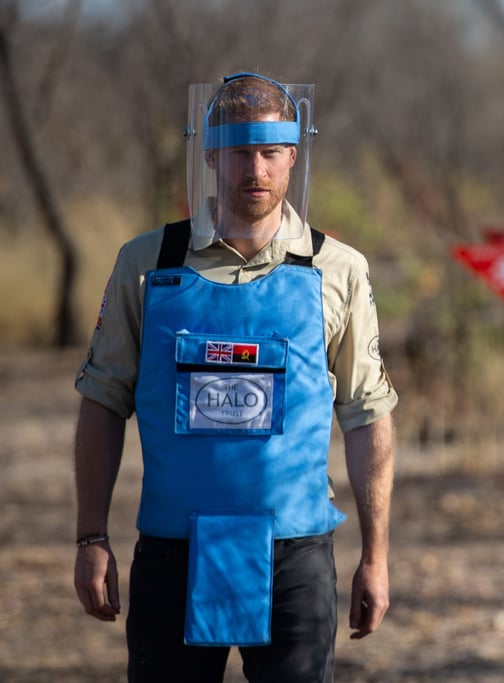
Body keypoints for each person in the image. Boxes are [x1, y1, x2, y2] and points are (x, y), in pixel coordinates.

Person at [72, 72, 398, 683]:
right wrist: (91, 536)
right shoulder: (148, 263)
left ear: (293, 157)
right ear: (211, 154)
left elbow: (366, 413)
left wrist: (375, 557)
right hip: (173, 551)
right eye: (241, 151)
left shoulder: (337, 269)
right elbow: (102, 400)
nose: (257, 168)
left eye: (271, 152)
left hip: (294, 556)